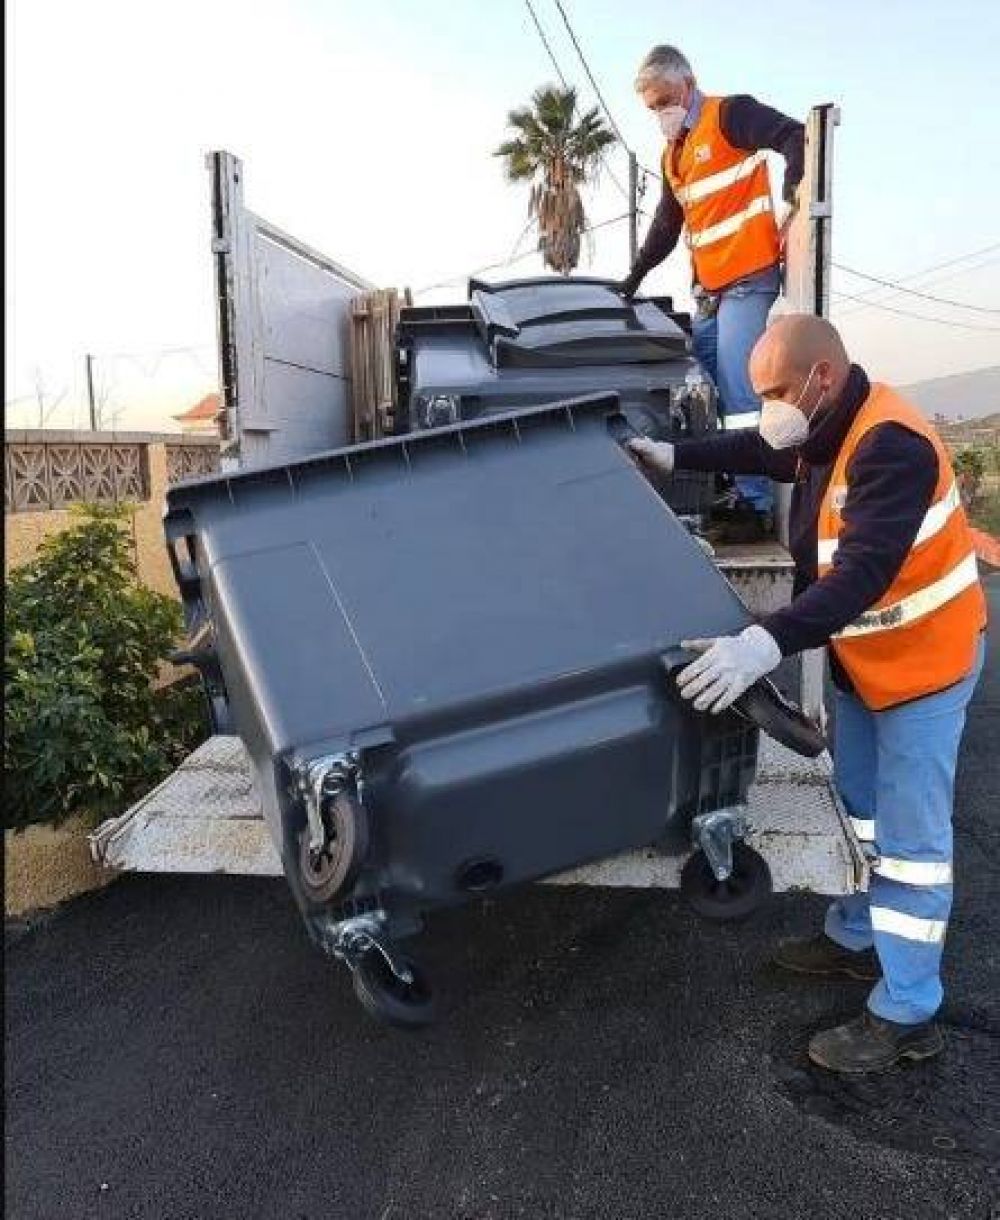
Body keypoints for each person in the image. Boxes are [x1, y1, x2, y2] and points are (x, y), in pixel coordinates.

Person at [630, 314, 987, 1075]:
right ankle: (858, 936)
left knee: (914, 846)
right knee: (859, 805)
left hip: (924, 668)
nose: (770, 406)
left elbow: (859, 577)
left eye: (778, 390)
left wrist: (762, 642)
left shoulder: (891, 445)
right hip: (869, 665)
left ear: (822, 377)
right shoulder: (830, 426)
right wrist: (673, 453)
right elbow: (758, 449)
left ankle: (908, 1011)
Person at [620, 44, 805, 540]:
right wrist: (634, 278)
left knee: (744, 393)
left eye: (666, 99)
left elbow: (793, 135)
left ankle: (754, 501)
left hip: (749, 280)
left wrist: (795, 183)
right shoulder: (673, 155)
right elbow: (666, 224)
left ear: (689, 82)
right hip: (711, 293)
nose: (662, 112)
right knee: (706, 387)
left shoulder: (729, 115)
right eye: (652, 107)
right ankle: (734, 482)